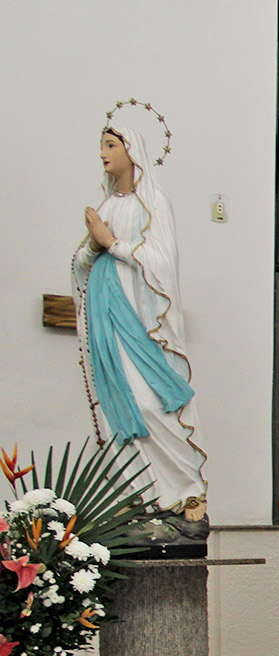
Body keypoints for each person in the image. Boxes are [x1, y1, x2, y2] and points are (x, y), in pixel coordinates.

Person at [72, 125, 207, 540]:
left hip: (141, 320)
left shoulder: (154, 203)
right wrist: (93, 246)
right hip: (106, 316)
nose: (103, 153)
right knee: (119, 405)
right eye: (102, 145)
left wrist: (111, 243)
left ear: (132, 151)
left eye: (111, 145)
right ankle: (141, 500)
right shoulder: (105, 203)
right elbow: (81, 263)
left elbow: (162, 262)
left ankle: (188, 496)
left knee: (151, 404)